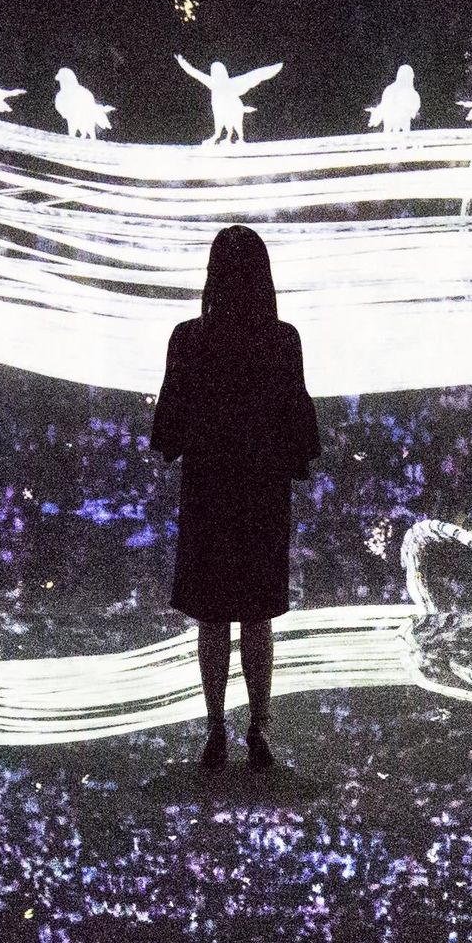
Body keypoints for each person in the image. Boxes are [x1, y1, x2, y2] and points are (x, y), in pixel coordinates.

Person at [150, 225, 323, 771]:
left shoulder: (188, 338)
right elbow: (297, 416)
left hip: (209, 488)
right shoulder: (282, 339)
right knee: (257, 615)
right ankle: (260, 727)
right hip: (261, 490)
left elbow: (170, 423)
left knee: (211, 616)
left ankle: (214, 729)